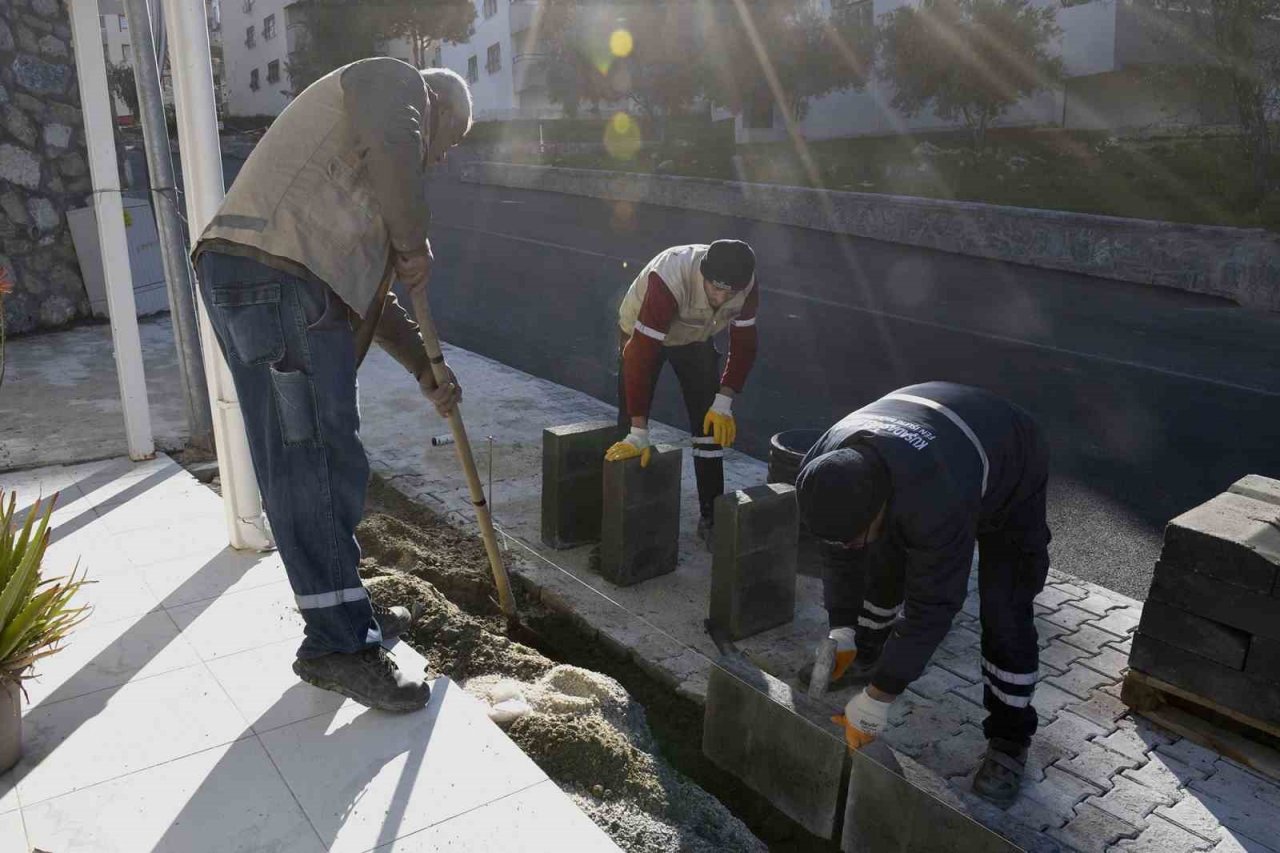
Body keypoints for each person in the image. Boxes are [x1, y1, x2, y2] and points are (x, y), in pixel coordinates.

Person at [191, 58, 473, 712]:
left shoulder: (359, 176)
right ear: (435, 108)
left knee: (322, 454)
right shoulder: (393, 83)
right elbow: (396, 142)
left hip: (267, 280)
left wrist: (426, 368)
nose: (439, 157)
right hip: (274, 276)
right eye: (447, 142)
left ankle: (348, 613)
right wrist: (415, 238)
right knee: (313, 458)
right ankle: (339, 644)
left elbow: (371, 297)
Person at [795, 382, 1051, 806]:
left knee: (1005, 609)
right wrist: (842, 630)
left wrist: (879, 700)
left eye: (857, 534)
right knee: (879, 559)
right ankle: (867, 653)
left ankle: (1010, 738)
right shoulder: (824, 468)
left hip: (1009, 458)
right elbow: (839, 555)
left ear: (880, 505)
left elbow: (933, 606)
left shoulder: (937, 500)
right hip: (928, 436)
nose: (851, 546)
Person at [606, 241, 760, 544]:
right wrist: (639, 430)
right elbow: (641, 354)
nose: (721, 298)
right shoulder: (670, 277)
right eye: (715, 289)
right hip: (642, 333)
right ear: (702, 273)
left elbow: (744, 343)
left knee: (708, 428)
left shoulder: (747, 283)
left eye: (729, 293)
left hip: (694, 337)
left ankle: (712, 517)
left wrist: (724, 401)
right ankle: (621, 516)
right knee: (631, 426)